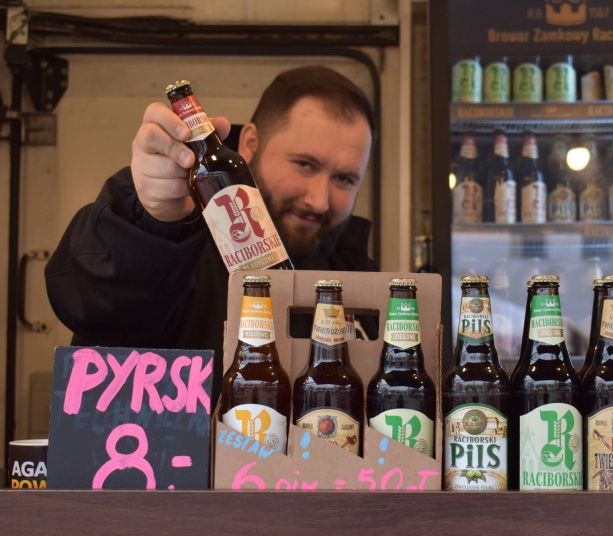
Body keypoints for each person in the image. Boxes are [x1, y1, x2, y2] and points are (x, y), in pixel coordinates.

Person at [45, 66, 378, 393]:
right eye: (305, 164)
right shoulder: (180, 237)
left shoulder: (358, 277)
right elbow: (96, 308)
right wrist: (150, 220)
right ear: (250, 144)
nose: (319, 201)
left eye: (345, 179)